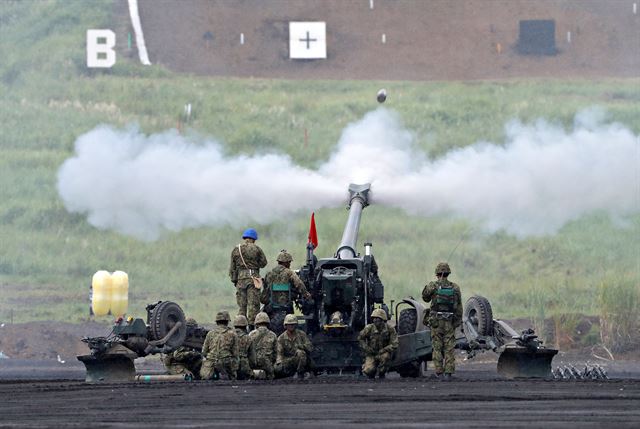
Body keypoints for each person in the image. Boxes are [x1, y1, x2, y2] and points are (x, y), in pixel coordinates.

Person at [422, 262, 462, 379]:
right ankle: (448, 373)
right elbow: (459, 307)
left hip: (436, 321)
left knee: (437, 347)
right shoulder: (455, 287)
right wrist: (456, 322)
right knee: (449, 347)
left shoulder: (433, 286)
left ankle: (439, 372)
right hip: (449, 321)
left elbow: (425, 298)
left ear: (437, 274)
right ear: (448, 273)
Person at [229, 228, 268, 329]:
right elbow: (264, 263)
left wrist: (235, 280)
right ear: (254, 239)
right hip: (253, 279)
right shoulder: (257, 249)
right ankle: (251, 328)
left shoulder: (236, 249)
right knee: (253, 305)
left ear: (245, 237)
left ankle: (240, 327)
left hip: (240, 280)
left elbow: (232, 268)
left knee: (242, 305)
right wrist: (255, 266)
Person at [358, 308, 398, 379]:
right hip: (372, 353)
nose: (375, 320)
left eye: (378, 318)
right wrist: (367, 348)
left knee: (385, 358)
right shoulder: (369, 328)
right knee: (368, 371)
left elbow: (394, 344)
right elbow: (360, 338)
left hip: (383, 353)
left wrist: (383, 350)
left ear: (383, 320)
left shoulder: (390, 329)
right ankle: (372, 373)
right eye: (374, 318)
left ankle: (382, 373)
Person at [200, 310, 239, 380]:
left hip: (210, 364)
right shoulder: (233, 334)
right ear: (227, 322)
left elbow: (204, 352)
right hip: (225, 362)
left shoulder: (210, 333)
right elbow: (235, 354)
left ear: (217, 322)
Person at [275, 314, 314, 379]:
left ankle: (300, 373)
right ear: (285, 325)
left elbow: (310, 348)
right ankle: (290, 374)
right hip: (289, 360)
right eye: (289, 324)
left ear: (296, 325)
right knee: (277, 369)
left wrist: (302, 346)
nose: (291, 326)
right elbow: (279, 353)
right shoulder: (281, 338)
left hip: (303, 360)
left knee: (300, 353)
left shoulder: (301, 334)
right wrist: (279, 364)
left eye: (293, 324)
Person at [247, 312, 278, 380]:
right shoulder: (273, 335)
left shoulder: (251, 334)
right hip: (267, 364)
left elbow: (247, 351)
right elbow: (276, 353)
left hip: (253, 364)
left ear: (256, 323)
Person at [234, 314, 252, 380]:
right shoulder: (248, 338)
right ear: (245, 326)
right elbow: (252, 357)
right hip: (244, 366)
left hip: (230, 366)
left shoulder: (228, 335)